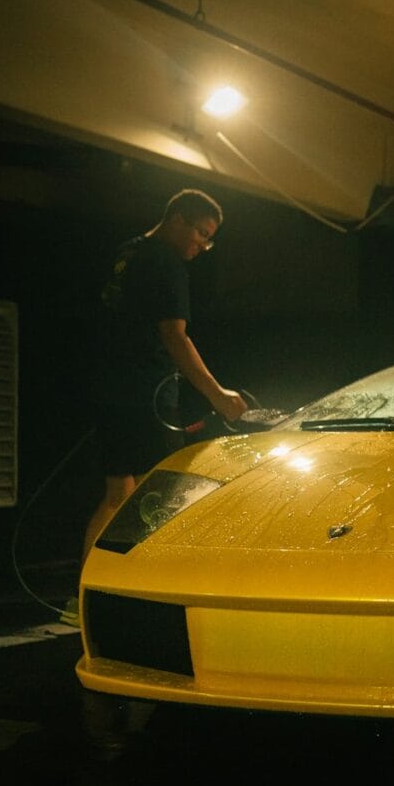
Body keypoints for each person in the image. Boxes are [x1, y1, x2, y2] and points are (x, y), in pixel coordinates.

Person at [82, 189, 247, 563]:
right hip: (145, 397)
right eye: (202, 234)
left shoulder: (128, 251)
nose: (203, 246)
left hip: (109, 389)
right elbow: (174, 336)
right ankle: (149, 589)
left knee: (118, 494)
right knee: (159, 497)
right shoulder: (167, 263)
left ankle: (85, 594)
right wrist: (218, 396)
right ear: (177, 220)